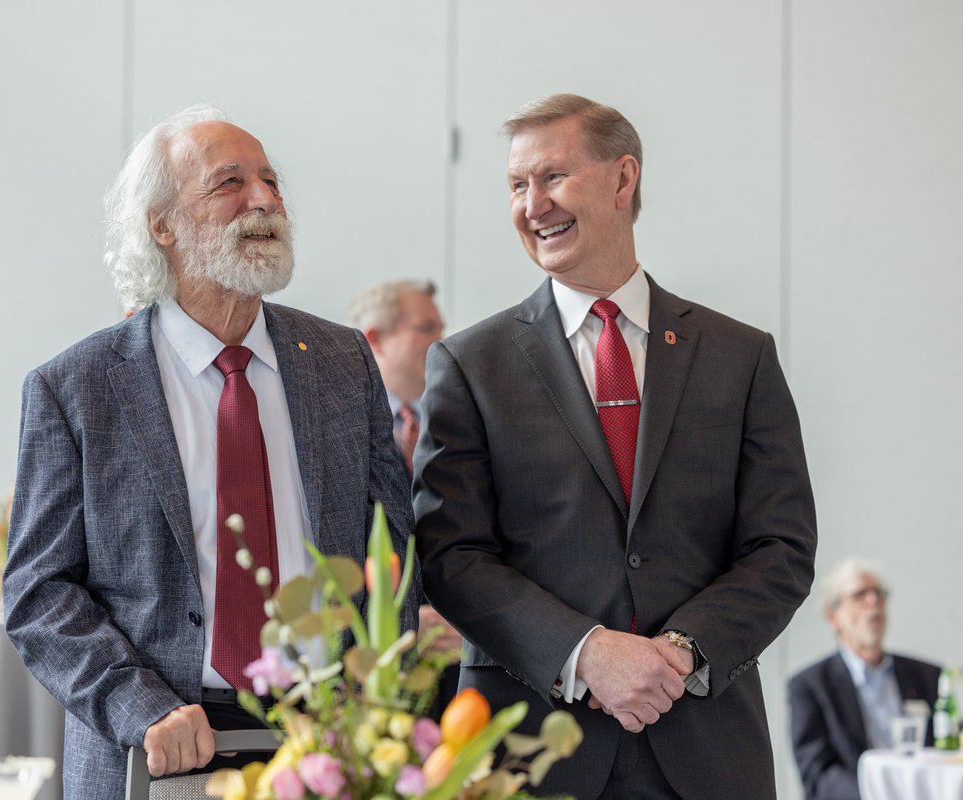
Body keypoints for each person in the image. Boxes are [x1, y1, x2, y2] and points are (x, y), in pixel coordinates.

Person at [3, 105, 417, 800]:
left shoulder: (344, 363)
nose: (264, 200)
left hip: (326, 746)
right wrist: (141, 706)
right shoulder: (75, 387)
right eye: (230, 183)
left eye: (271, 181)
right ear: (161, 225)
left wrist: (374, 693)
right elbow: (38, 593)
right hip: (155, 750)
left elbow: (393, 546)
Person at [413, 93, 818, 799]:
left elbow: (781, 548)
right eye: (515, 186)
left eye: (551, 177)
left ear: (623, 179)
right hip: (531, 751)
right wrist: (586, 653)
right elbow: (452, 556)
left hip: (706, 750)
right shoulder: (469, 366)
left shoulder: (741, 356)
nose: (532, 204)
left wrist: (679, 656)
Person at [348, 280, 460, 716]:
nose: (443, 341)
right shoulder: (336, 431)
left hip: (455, 672)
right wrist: (404, 619)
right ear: (376, 338)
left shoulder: (457, 421)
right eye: (426, 328)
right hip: (367, 678)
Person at [788, 559, 939, 800]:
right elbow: (818, 775)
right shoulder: (810, 686)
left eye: (879, 593)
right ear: (833, 617)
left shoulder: (928, 676)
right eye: (860, 595)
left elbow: (951, 745)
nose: (874, 601)